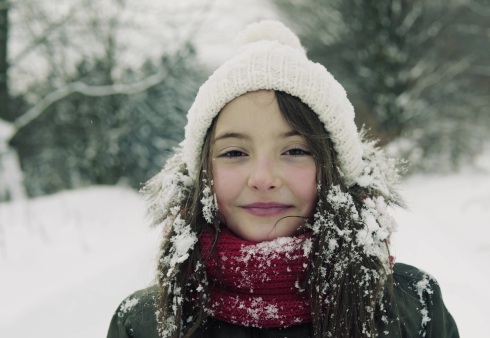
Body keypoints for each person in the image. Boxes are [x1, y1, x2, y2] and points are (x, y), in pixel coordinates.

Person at [107, 20, 459, 338]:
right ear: (203, 174)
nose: (263, 178)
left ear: (334, 170)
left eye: (295, 151)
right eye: (234, 153)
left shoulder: (410, 309)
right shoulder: (143, 324)